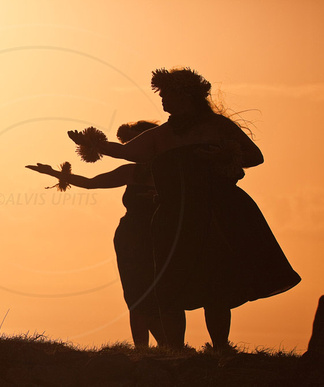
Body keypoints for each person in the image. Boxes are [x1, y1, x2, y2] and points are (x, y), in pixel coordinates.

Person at [68, 68, 301, 350]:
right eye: (162, 95)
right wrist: (92, 144)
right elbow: (128, 152)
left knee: (216, 285)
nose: (163, 100)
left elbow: (255, 156)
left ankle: (220, 348)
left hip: (218, 213)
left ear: (186, 95)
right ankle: (174, 351)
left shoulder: (218, 126)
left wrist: (224, 154)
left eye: (168, 94)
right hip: (173, 218)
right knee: (168, 285)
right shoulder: (160, 135)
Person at [27, 121, 166, 348]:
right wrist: (52, 172)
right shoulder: (132, 172)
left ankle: (168, 347)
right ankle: (145, 350)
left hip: (161, 238)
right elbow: (91, 184)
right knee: (136, 295)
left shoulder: (174, 174)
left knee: (159, 295)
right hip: (132, 240)